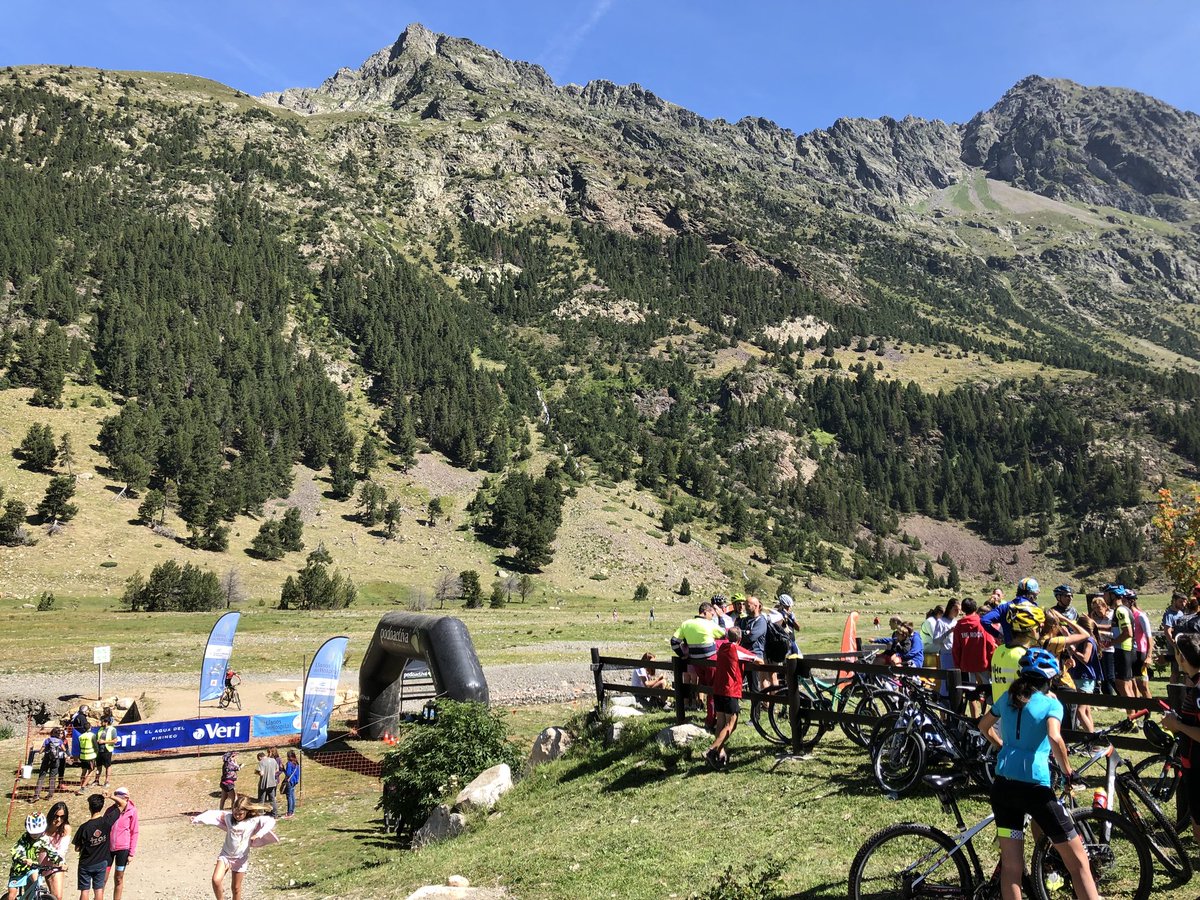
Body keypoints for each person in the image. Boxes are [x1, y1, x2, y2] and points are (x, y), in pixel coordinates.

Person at [978, 649, 1100, 900]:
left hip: (1003, 785)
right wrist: (1069, 771)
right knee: (1078, 863)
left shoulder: (1008, 698)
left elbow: (983, 726)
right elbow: (1055, 737)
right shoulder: (1051, 703)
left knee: (1011, 867)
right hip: (1035, 789)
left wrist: (1003, 746)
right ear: (1050, 679)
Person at [190, 794, 279, 900]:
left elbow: (270, 821)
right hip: (226, 856)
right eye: (235, 813)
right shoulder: (228, 818)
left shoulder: (253, 821)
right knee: (216, 880)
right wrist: (197, 819)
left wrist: (258, 834)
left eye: (240, 814)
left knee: (236, 888)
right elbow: (212, 815)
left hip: (240, 859)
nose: (237, 816)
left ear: (247, 811)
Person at [704, 627, 761, 769]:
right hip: (730, 690)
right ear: (740, 639)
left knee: (721, 722)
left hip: (718, 689)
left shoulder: (722, 647)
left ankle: (719, 753)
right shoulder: (737, 649)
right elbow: (758, 660)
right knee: (732, 724)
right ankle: (711, 751)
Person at [670, 602, 726, 701]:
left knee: (702, 686)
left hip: (695, 662)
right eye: (712, 615)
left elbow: (674, 642)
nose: (712, 617)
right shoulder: (710, 624)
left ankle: (704, 709)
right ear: (705, 612)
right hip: (710, 660)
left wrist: (682, 655)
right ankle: (712, 713)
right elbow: (723, 632)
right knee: (713, 688)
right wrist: (721, 617)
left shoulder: (686, 624)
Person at [990, 601, 1043, 704]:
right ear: (1032, 630)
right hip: (1017, 716)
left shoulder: (999, 650)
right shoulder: (1024, 656)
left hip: (1000, 713)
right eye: (1039, 628)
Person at [952, 598, 996, 717]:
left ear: (963, 610)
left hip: (966, 666)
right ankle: (988, 720)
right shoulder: (982, 623)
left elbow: (956, 648)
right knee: (988, 693)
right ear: (975, 608)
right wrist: (992, 664)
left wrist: (958, 665)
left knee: (971, 694)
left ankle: (974, 718)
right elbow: (991, 645)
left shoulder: (959, 625)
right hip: (983, 664)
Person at [7, 813, 61, 900]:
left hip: (32, 867)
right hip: (19, 870)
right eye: (32, 833)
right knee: (12, 895)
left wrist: (61, 862)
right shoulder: (24, 838)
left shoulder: (44, 839)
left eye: (38, 833)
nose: (35, 835)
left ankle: (37, 896)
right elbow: (16, 850)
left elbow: (52, 851)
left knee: (37, 884)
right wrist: (23, 859)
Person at [72, 794, 111, 900]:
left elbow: (77, 848)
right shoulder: (107, 822)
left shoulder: (84, 827)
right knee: (99, 889)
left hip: (86, 864)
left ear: (89, 807)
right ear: (102, 806)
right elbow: (122, 805)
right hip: (101, 862)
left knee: (85, 890)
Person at [981, 577, 1041, 645]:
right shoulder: (1034, 609)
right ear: (1031, 594)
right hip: (1027, 650)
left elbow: (984, 620)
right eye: (1036, 594)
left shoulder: (1004, 607)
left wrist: (998, 635)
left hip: (1008, 648)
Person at [1068, 616, 1101, 733]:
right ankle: (1091, 734)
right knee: (1086, 710)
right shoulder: (1084, 640)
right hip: (1082, 677)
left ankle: (1092, 739)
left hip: (1085, 678)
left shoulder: (1089, 641)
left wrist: (1074, 651)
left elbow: (1085, 659)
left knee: (1080, 712)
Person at [104, 787, 138, 900]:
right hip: (108, 849)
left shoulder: (132, 811)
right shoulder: (110, 810)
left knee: (119, 878)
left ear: (126, 797)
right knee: (103, 878)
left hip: (123, 849)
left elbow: (134, 832)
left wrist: (131, 853)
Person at [1107, 585, 1137, 701]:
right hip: (1127, 649)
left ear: (1113, 596)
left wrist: (1112, 643)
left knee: (1122, 685)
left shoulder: (1120, 610)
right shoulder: (1124, 609)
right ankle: (1134, 714)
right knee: (1127, 684)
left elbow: (1128, 633)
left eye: (1106, 595)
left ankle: (1132, 717)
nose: (1105, 598)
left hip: (1124, 649)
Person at [39, 801, 69, 900]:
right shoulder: (43, 827)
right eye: (56, 816)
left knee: (57, 896)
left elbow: (62, 849)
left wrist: (59, 861)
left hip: (56, 863)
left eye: (62, 817)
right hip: (40, 863)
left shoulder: (66, 829)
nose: (58, 819)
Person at [1089, 595, 1116, 696]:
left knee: (1110, 676)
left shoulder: (1112, 615)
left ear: (1105, 606)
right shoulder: (1096, 617)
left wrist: (1097, 627)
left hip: (1111, 648)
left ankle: (1122, 696)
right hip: (1100, 649)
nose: (1097, 610)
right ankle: (1108, 698)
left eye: (1099, 607)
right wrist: (1091, 617)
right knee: (1103, 676)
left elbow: (1112, 628)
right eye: (1095, 608)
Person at [1128, 593, 1154, 700]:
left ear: (1130, 601)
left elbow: (1149, 637)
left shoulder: (1140, 616)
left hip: (1140, 654)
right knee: (1132, 685)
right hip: (1129, 653)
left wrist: (1149, 656)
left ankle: (1150, 708)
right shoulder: (1126, 616)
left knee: (1143, 686)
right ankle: (1138, 710)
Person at [931, 600, 959, 694]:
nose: (958, 612)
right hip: (946, 654)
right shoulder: (941, 622)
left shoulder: (955, 622)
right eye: (955, 609)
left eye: (959, 610)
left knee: (955, 681)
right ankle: (943, 703)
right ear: (950, 608)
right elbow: (935, 641)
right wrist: (948, 632)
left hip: (955, 654)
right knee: (946, 680)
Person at [32, 727, 66, 802]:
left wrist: (41, 751)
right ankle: (50, 795)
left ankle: (37, 795)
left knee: (41, 776)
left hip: (46, 759)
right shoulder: (59, 741)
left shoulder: (48, 740)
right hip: (55, 760)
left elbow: (41, 751)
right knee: (52, 777)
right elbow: (64, 749)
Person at [1163, 592, 1189, 684]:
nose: (1183, 604)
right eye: (1181, 602)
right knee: (1175, 671)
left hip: (1183, 646)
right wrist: (1174, 644)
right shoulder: (1169, 615)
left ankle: (1185, 693)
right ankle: (1173, 693)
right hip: (1175, 647)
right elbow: (1167, 631)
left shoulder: (1181, 613)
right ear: (1174, 601)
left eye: (1185, 602)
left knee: (1186, 672)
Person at [95, 715, 118, 789]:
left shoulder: (112, 729)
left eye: (102, 721)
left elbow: (115, 740)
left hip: (107, 750)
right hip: (99, 750)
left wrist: (104, 741)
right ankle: (96, 780)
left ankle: (107, 781)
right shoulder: (100, 729)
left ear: (106, 722)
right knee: (98, 766)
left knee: (107, 766)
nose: (100, 722)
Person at [75, 723, 98, 794]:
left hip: (83, 756)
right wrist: (97, 753)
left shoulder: (80, 736)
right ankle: (83, 787)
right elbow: (95, 746)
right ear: (90, 727)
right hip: (90, 756)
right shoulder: (92, 735)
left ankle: (82, 784)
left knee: (83, 771)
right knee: (91, 771)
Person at [255, 752, 279, 818]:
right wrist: (271, 773)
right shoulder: (273, 760)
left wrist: (257, 772)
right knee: (272, 799)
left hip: (264, 783)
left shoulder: (261, 762)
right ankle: (275, 814)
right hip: (272, 783)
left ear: (260, 757)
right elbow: (277, 769)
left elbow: (261, 773)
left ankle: (261, 814)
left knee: (261, 800)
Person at [282, 751, 300, 819]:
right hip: (294, 781)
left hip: (290, 781)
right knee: (292, 796)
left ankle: (289, 812)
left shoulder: (289, 763)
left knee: (289, 797)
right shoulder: (297, 763)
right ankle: (292, 810)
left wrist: (283, 769)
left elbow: (288, 773)